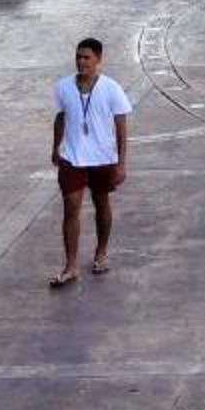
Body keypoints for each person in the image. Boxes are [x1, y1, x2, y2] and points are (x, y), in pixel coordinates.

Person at [49, 37, 132, 290]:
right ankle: (70, 265)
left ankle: (101, 252)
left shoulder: (111, 88)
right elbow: (60, 118)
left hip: (102, 158)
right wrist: (55, 148)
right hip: (72, 157)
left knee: (101, 203)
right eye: (78, 57)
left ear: (98, 59)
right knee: (70, 208)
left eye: (86, 57)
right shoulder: (63, 87)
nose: (81, 62)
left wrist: (121, 163)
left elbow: (121, 127)